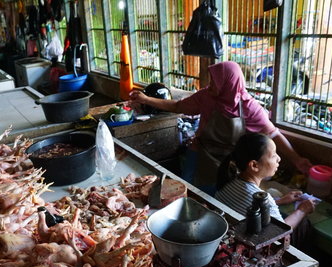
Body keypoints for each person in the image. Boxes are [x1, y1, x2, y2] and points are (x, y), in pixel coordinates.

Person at [128, 61, 311, 194]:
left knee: (221, 197)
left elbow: (273, 133)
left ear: (229, 83)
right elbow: (177, 107)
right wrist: (145, 99)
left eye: (215, 81)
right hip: (200, 152)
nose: (210, 85)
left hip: (229, 162)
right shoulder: (206, 96)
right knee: (187, 191)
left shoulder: (250, 108)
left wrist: (297, 159)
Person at [214, 132, 316, 231]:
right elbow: (281, 232)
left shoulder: (228, 180)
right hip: (248, 242)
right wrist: (302, 210)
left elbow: (247, 206)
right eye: (273, 155)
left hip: (230, 231)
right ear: (254, 165)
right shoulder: (261, 198)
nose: (279, 159)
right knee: (304, 223)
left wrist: (280, 201)